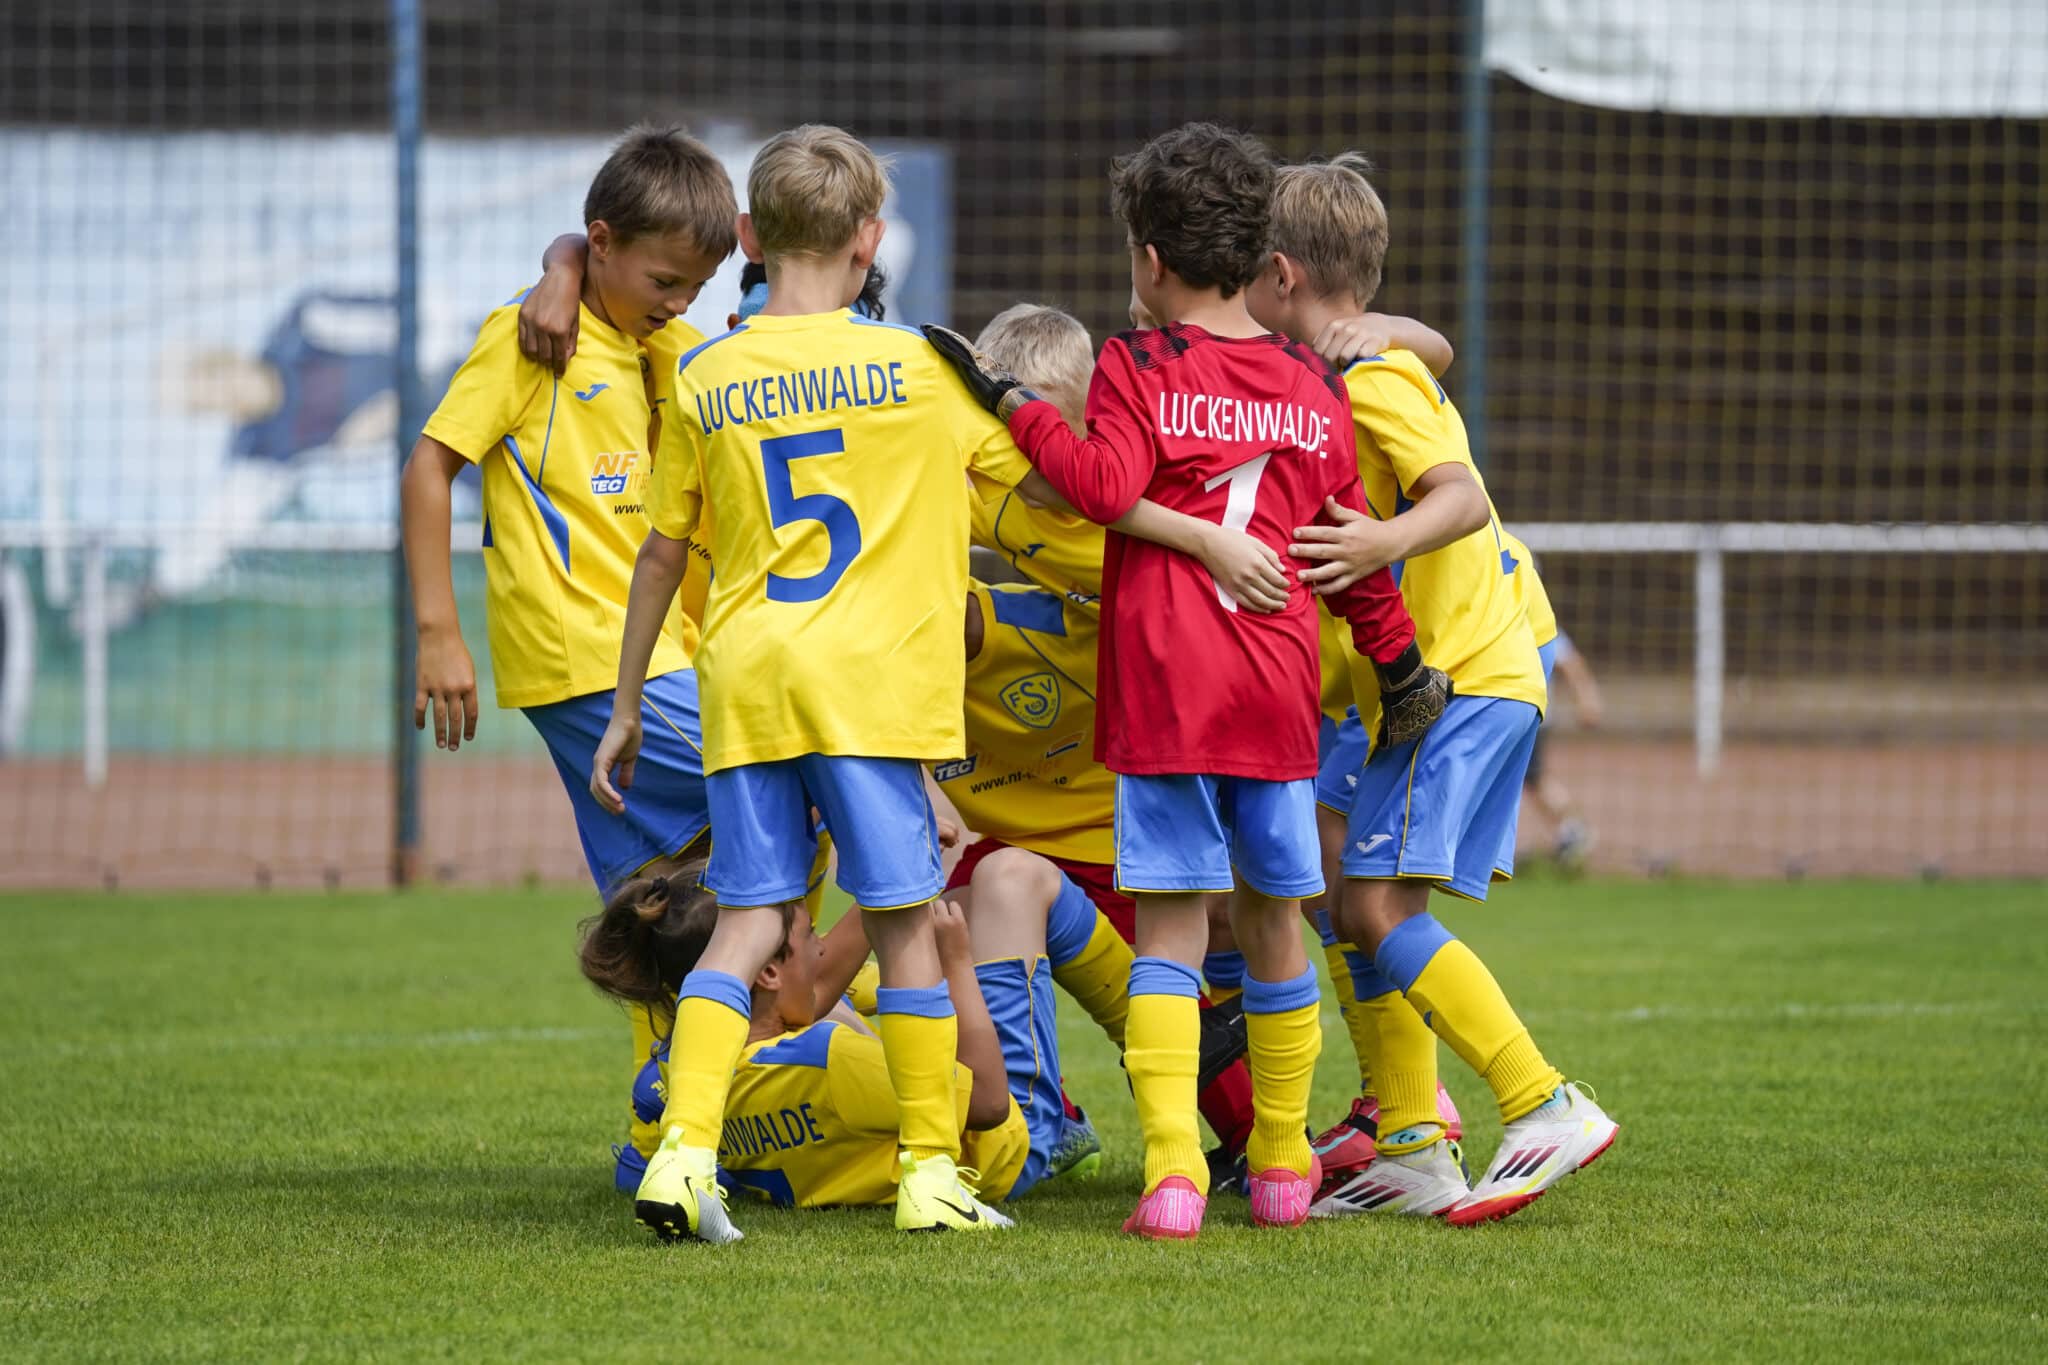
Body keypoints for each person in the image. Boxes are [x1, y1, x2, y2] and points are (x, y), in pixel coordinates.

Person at [929, 122, 1450, 1239]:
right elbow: (1335, 532)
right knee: (1272, 923)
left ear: (1149, 262)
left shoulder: (1136, 365)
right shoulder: (1310, 384)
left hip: (1167, 695)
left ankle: (1170, 1173)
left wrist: (1009, 404)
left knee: (1170, 930)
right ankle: (1275, 1165)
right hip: (1274, 692)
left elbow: (1097, 485)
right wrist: (1396, 653)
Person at [592, 124, 1047, 1242]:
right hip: (869, 688)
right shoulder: (920, 370)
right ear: (869, 238)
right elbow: (1029, 496)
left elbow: (660, 552)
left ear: (746, 236)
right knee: (901, 921)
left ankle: (685, 1156)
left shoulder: (703, 374)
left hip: (749, 676)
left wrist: (624, 701)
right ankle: (932, 1175)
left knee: (749, 920)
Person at [1251, 152, 1618, 1225]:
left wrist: (1379, 541)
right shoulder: (1354, 367)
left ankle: (1541, 1101)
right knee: (1327, 865)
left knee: (1370, 901)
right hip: (1414, 691)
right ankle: (1410, 1135)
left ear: (1280, 275)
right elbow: (1424, 347)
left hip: (1457, 680)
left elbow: (1456, 497)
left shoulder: (1374, 379)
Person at [398, 125, 736, 1177]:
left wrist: (569, 266)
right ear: (601, 243)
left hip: (663, 653)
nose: (680, 300)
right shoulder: (533, 337)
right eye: (664, 279)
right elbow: (426, 470)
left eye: (699, 282)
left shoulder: (670, 347)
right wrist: (438, 631)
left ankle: (662, 1135)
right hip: (588, 660)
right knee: (801, 795)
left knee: (661, 898)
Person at [580, 855, 1075, 1216]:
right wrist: (957, 963)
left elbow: (634, 1166)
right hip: (1007, 1140)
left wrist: (898, 867)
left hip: (844, 1148)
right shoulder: (829, 1057)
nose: (821, 949)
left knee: (959, 903)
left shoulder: (676, 1076)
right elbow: (990, 1104)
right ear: (769, 972)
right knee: (1012, 877)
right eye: (810, 934)